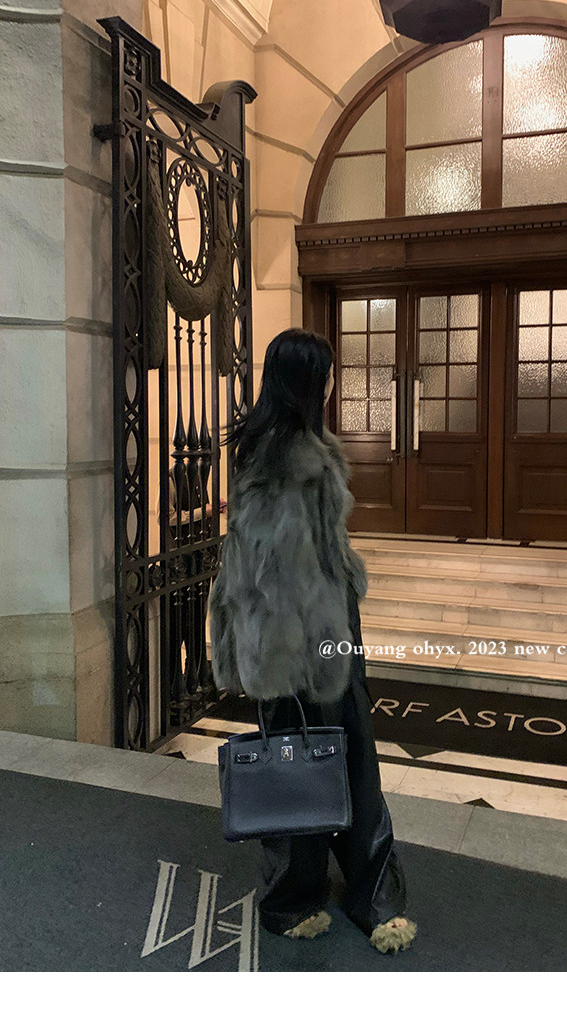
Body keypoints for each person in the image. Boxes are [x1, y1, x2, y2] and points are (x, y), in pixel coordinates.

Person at [208, 327, 417, 955]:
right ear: (304, 383)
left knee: (335, 758)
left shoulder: (289, 450)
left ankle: (348, 893)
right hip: (298, 643)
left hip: (321, 634)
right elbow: (266, 570)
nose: (328, 387)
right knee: (312, 764)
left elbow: (312, 555)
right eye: (322, 377)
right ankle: (313, 897)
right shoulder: (283, 461)